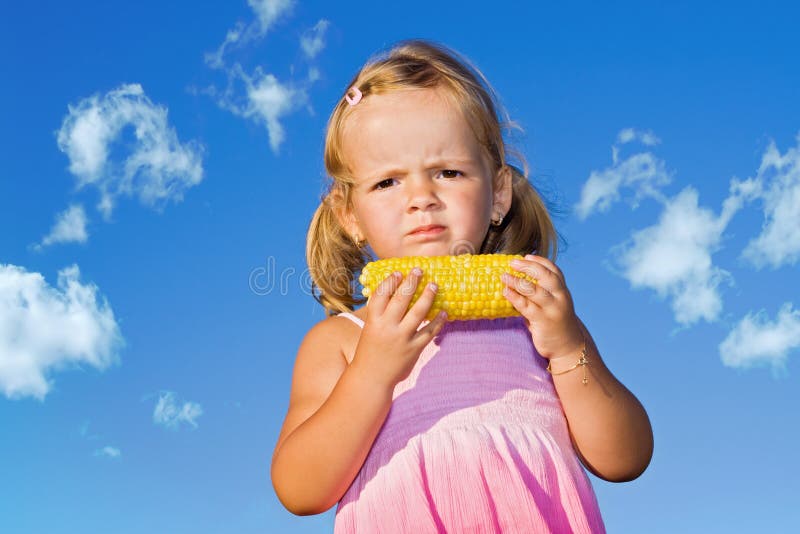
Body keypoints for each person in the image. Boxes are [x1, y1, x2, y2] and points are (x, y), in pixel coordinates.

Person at [271, 39, 653, 533]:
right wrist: (373, 371)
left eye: (447, 172)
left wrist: (568, 347)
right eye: (387, 182)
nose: (421, 198)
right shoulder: (340, 341)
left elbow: (626, 457)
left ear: (497, 194)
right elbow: (300, 490)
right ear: (350, 216)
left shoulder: (534, 323)